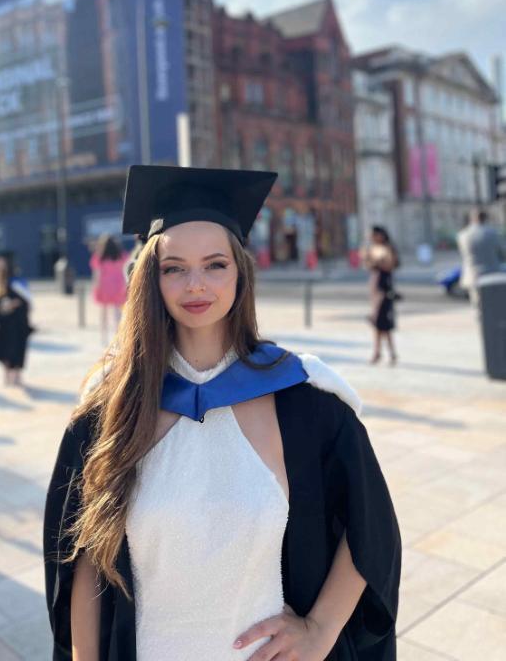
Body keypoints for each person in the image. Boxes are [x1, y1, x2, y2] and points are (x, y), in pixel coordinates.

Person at [44, 165, 401, 661]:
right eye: (174, 268)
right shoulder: (112, 406)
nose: (196, 285)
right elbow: (83, 560)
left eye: (216, 264)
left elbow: (371, 524)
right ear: (151, 276)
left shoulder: (304, 399)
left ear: (240, 272)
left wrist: (319, 630)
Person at [0, 254, 33, 386]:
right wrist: (2, 307)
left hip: (17, 323)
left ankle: (17, 377)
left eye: (2, 263)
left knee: (17, 350)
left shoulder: (17, 281)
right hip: (4, 324)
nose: (0, 266)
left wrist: (15, 304)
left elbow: (26, 302)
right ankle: (7, 376)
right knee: (5, 350)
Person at [361, 226, 400, 366]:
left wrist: (377, 261)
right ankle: (379, 352)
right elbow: (366, 264)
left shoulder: (387, 248)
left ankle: (390, 353)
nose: (372, 238)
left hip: (384, 288)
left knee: (384, 323)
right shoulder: (372, 248)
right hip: (375, 287)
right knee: (377, 323)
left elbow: (391, 265)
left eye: (374, 235)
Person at [457, 208, 505, 307]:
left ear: (471, 219)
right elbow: (502, 253)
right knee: (494, 305)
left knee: (478, 305)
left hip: (473, 274)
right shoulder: (493, 233)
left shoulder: (463, 235)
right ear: (485, 219)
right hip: (492, 273)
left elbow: (464, 254)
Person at [89, 234, 129, 343]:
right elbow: (126, 270)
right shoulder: (122, 255)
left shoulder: (99, 257)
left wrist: (95, 287)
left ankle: (104, 337)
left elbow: (97, 274)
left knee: (104, 312)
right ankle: (118, 336)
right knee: (117, 312)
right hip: (119, 285)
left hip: (104, 286)